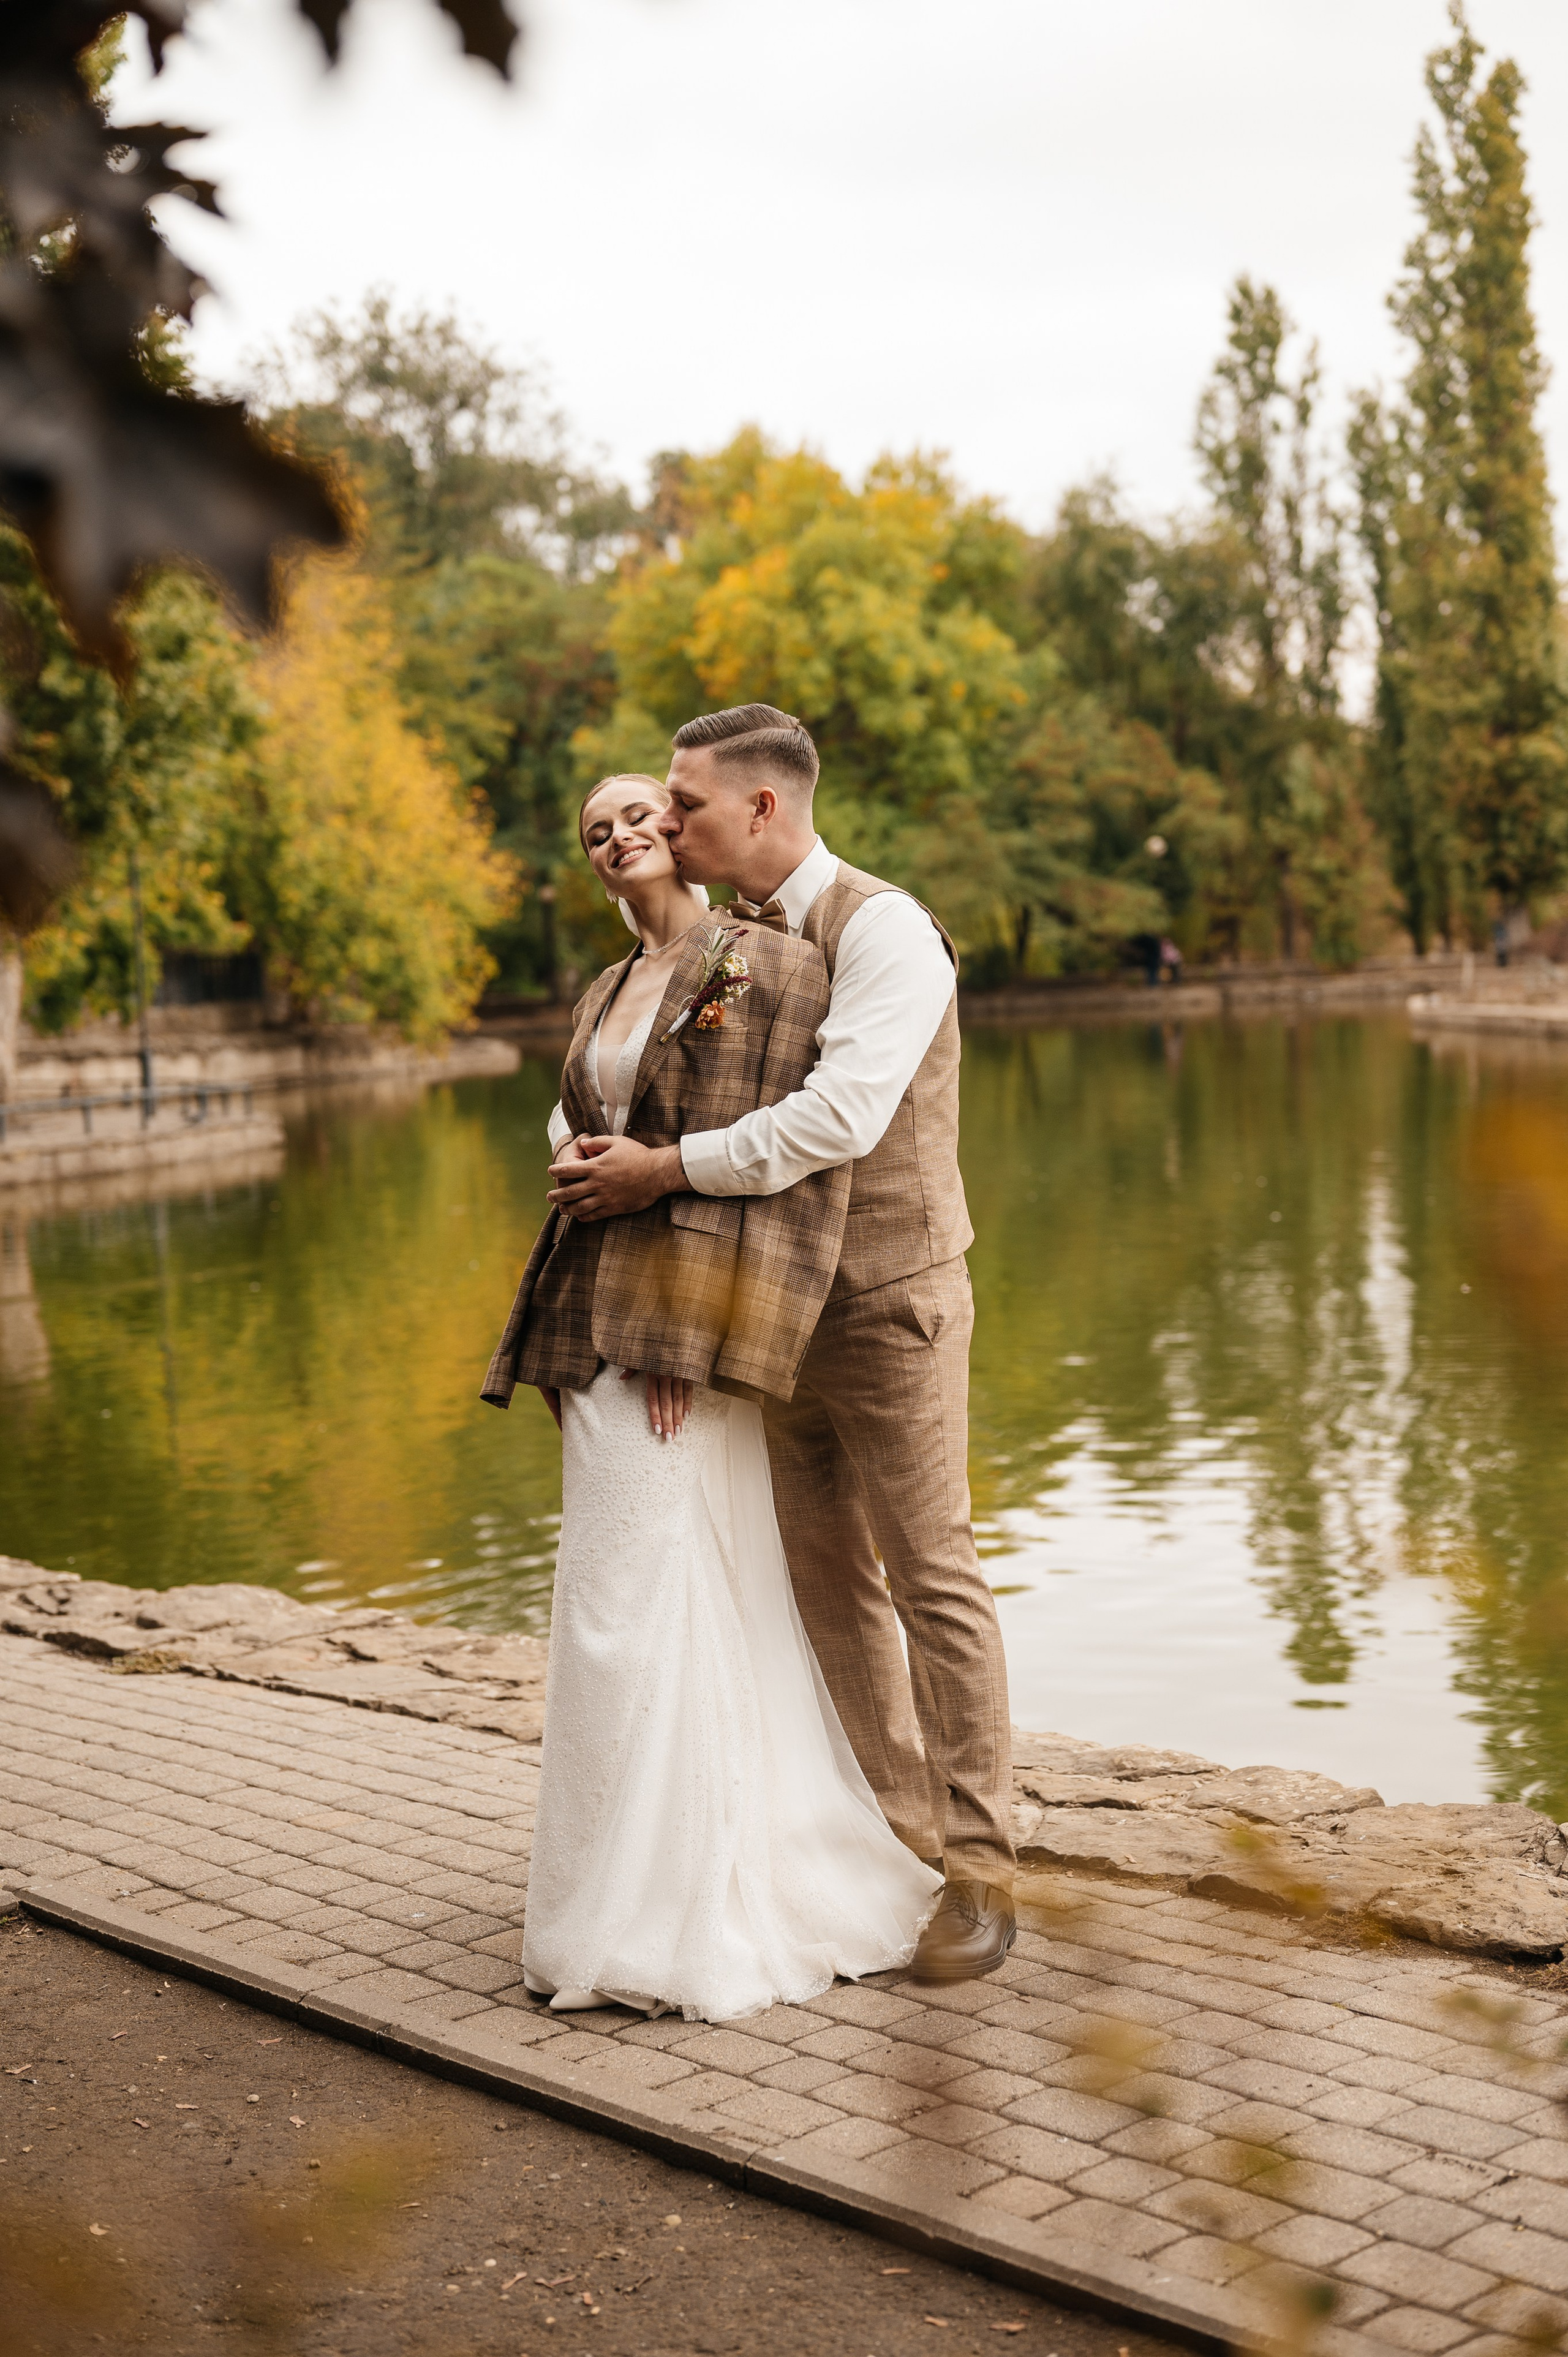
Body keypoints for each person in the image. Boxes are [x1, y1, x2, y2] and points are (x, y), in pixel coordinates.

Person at [545, 709, 1017, 1985]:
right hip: (771, 1314)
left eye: (685, 804)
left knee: (931, 1574)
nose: (667, 823)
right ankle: (899, 1839)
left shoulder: (884, 930)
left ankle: (981, 1876)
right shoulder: (722, 947)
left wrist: (662, 1172)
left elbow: (837, 1117)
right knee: (826, 1587)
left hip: (889, 1302)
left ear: (759, 808)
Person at [481, 772, 940, 2023]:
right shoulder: (604, 988)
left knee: (671, 1596)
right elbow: (577, 1125)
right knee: (609, 1604)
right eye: (593, 830)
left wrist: (690, 1331)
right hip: (598, 1325)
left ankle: (696, 1903)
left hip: (684, 1332)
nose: (619, 835)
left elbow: (772, 1151)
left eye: (638, 814)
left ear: (680, 829)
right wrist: (571, 1157)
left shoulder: (760, 961)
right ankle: (603, 1894)